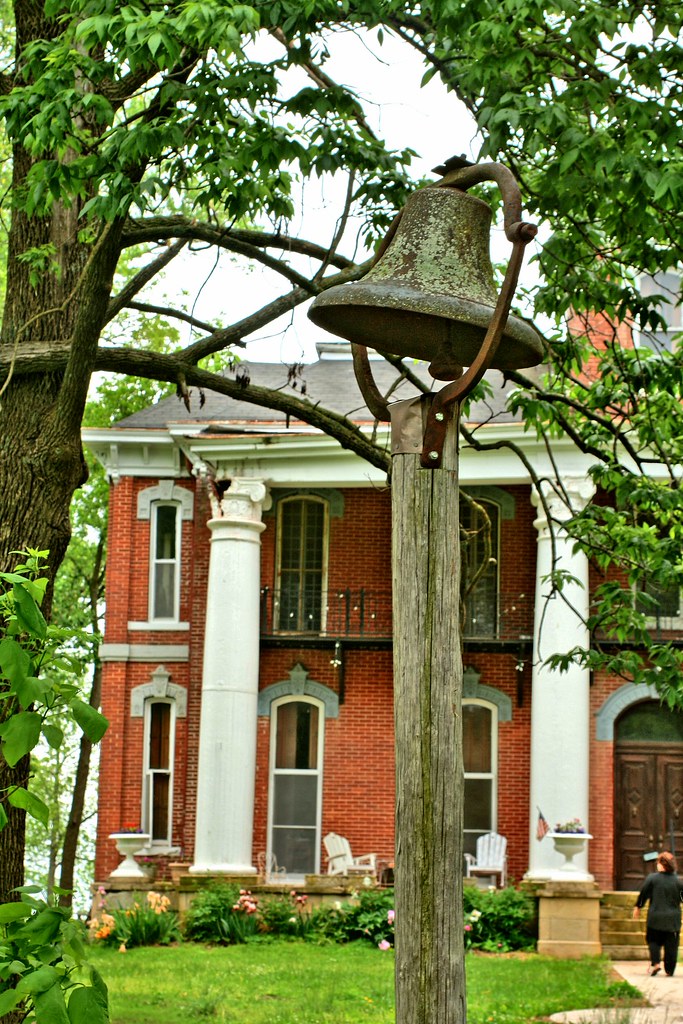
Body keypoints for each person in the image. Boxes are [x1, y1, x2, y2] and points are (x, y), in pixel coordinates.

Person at [633, 851, 683, 976]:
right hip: (673, 919)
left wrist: (638, 906)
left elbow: (644, 893)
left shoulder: (652, 879)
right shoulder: (678, 882)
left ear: (662, 865)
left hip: (655, 917)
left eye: (658, 863)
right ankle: (669, 970)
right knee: (671, 945)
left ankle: (656, 964)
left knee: (653, 941)